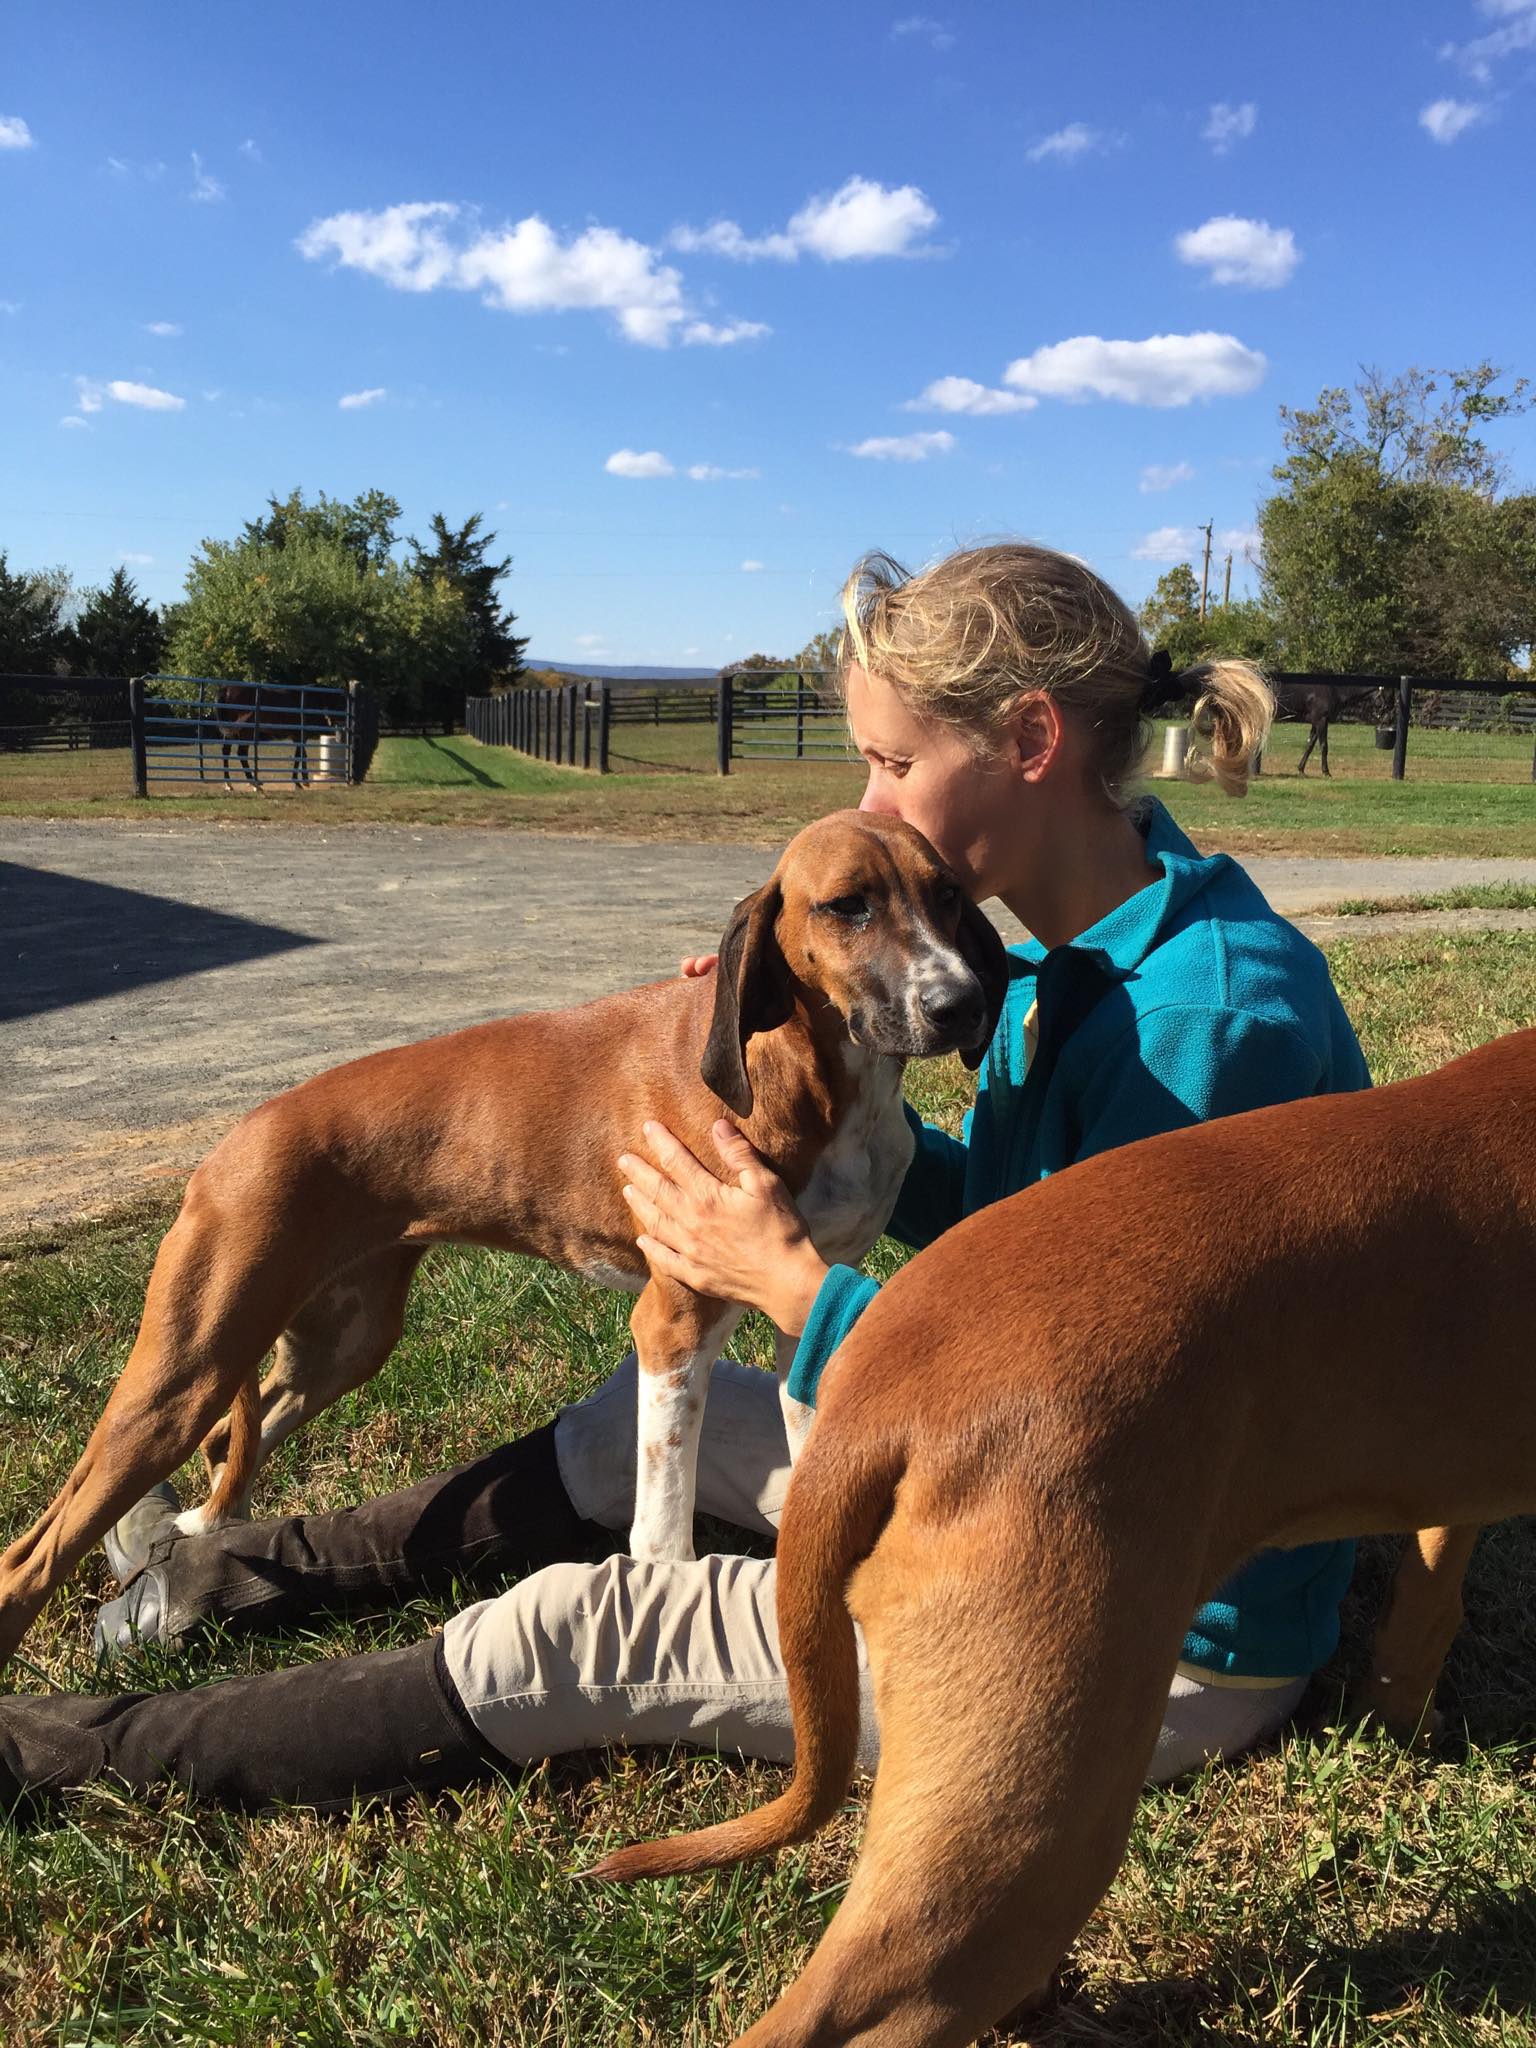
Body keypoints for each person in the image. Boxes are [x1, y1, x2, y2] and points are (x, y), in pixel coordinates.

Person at [0, 543, 1370, 1816]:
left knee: (583, 1627)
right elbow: (1039, 1227)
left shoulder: (1198, 1022)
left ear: (1029, 741)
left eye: (892, 762)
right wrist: (807, 1093)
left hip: (1132, 1623)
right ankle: (220, 1568)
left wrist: (791, 1283)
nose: (868, 804)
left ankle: (74, 1756)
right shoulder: (1075, 962)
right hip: (1058, 1518)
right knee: (630, 1429)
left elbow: (1077, 1419)